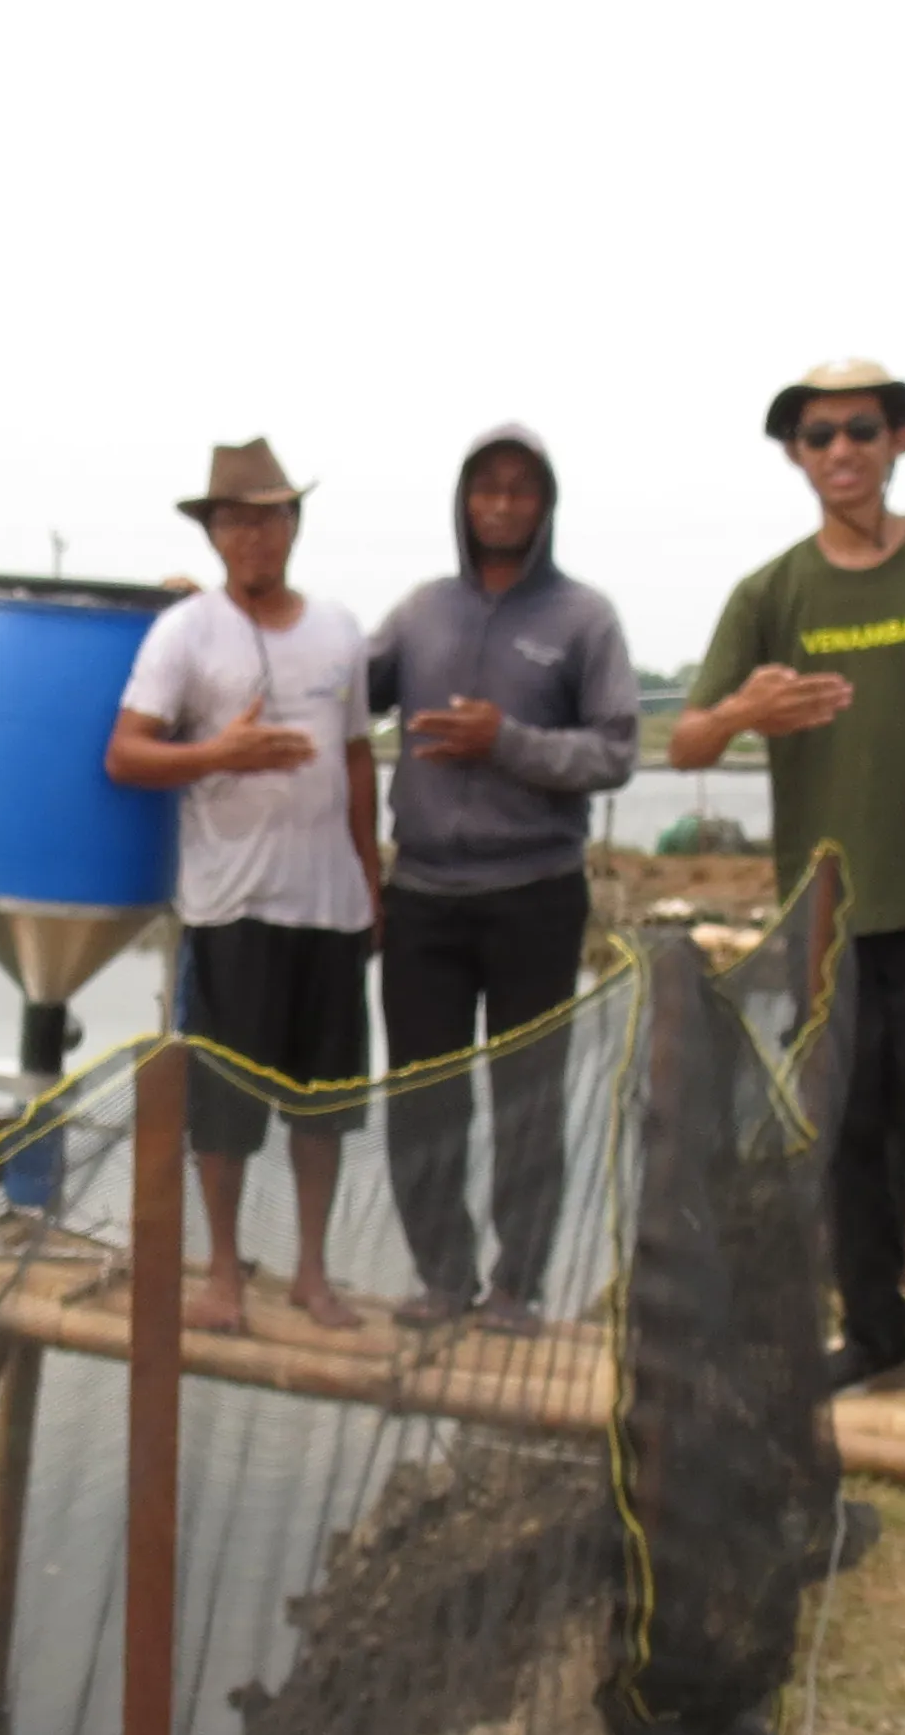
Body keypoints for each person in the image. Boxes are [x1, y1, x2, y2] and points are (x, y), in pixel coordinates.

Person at [669, 359, 905, 1418]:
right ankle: (876, 1334)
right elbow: (688, 739)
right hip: (825, 926)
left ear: (900, 437)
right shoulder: (770, 593)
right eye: (815, 436)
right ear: (794, 455)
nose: (839, 452)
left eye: (859, 430)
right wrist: (745, 711)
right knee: (846, 1140)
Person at [363, 425, 641, 1331]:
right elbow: (338, 684)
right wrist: (231, 621)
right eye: (487, 488)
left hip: (536, 895)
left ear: (546, 505)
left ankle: (516, 1287)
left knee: (527, 1101)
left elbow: (614, 751)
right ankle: (443, 1280)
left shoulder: (584, 619)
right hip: (425, 899)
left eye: (522, 489)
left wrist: (507, 743)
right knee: (420, 1096)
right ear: (463, 501)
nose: (503, 504)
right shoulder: (420, 612)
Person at [107, 438, 380, 1334]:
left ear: (293, 522)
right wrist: (221, 751)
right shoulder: (185, 633)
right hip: (232, 907)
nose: (253, 535)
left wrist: (371, 881)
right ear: (214, 534)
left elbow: (356, 757)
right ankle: (221, 1273)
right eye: (234, 519)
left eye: (268, 516)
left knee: (325, 1106)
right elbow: (126, 754)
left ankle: (312, 1271)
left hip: (330, 907)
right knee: (222, 1110)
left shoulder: (341, 628)